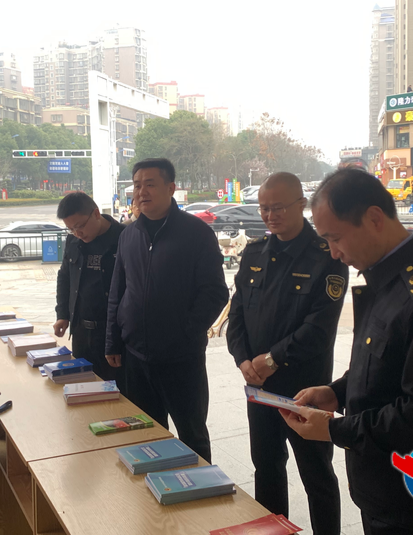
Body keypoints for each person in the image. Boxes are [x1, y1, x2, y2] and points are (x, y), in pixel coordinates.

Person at [279, 168, 413, 534]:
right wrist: (336, 393)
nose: (334, 253)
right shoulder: (386, 280)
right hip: (382, 491)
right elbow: (384, 367)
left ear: (373, 219)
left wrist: (335, 430)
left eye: (335, 238)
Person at [227, 172, 347, 535]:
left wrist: (271, 360)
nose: (270, 215)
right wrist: (243, 360)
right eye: (264, 208)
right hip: (259, 388)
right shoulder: (254, 253)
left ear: (301, 205)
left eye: (277, 207)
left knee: (316, 474)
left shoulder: (326, 256)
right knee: (266, 468)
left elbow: (319, 329)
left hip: (304, 389)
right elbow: (237, 315)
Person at [105, 158, 228, 462]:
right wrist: (113, 341)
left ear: (171, 188)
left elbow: (215, 292)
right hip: (136, 355)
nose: (141, 192)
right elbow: (118, 292)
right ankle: (153, 489)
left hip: (181, 358)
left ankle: (200, 488)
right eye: (137, 185)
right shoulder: (128, 235)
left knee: (192, 435)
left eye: (150, 184)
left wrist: (186, 332)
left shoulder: (196, 233)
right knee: (145, 433)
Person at [54, 191, 125, 385]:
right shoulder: (73, 241)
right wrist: (63, 314)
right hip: (81, 333)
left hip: (112, 335)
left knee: (115, 392)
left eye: (80, 226)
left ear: (96, 213)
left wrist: (116, 340)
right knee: (83, 388)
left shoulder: (124, 238)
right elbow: (65, 277)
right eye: (71, 229)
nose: (77, 233)